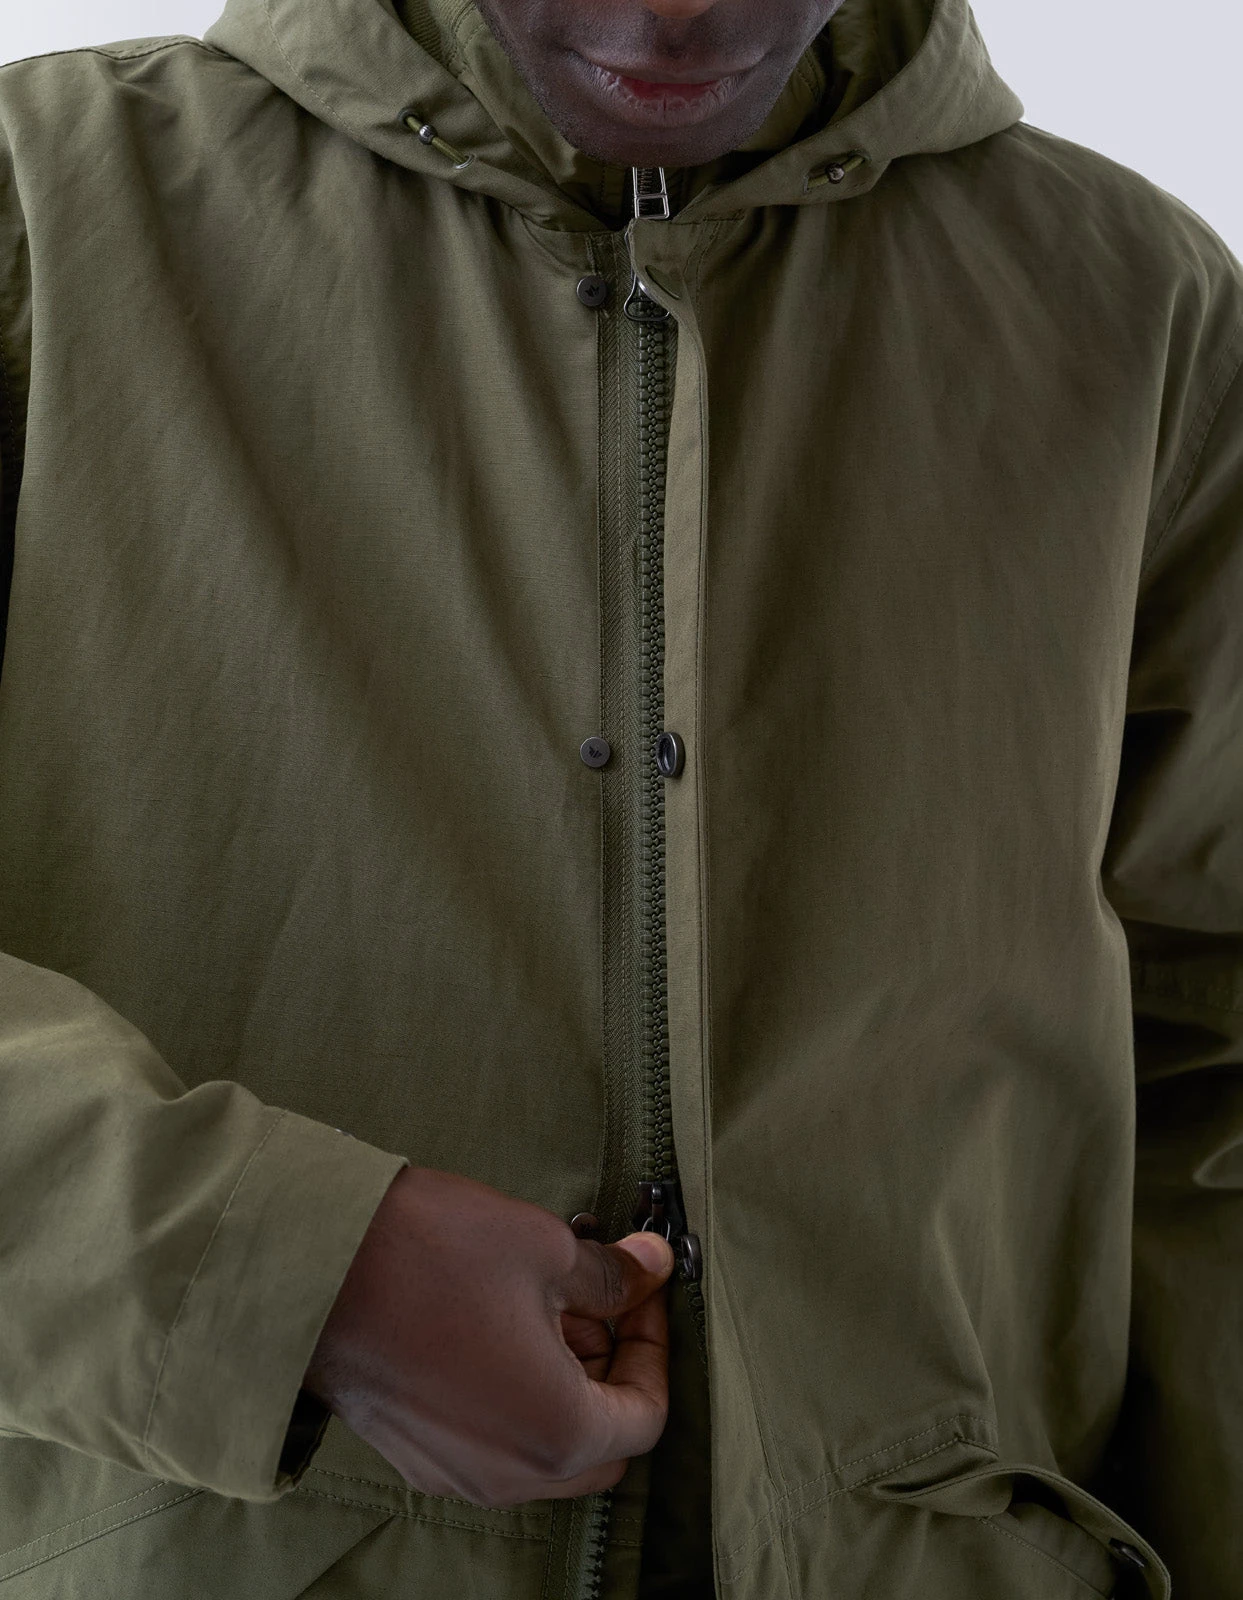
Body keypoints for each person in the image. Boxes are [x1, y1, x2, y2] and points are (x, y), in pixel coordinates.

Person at [0, 0, 1239, 1593]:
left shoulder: (1137, 305)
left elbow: (1210, 1059)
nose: (679, 12)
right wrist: (281, 1276)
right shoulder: (44, 207)